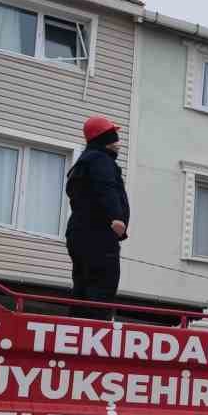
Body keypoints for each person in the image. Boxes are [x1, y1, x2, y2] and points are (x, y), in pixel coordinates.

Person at [65, 115, 129, 320]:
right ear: (105, 139)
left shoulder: (82, 163)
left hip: (79, 233)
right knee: (102, 286)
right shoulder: (101, 160)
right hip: (98, 234)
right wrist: (117, 217)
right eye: (115, 138)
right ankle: (95, 333)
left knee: (82, 286)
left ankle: (77, 329)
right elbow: (106, 188)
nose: (119, 143)